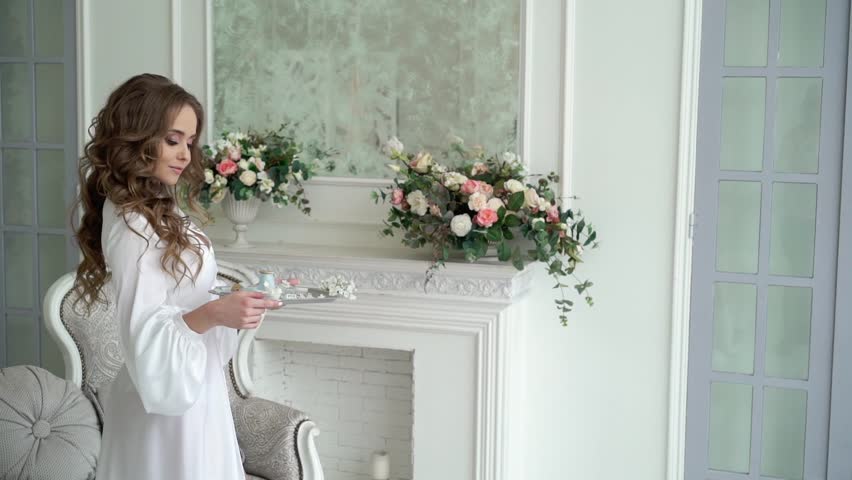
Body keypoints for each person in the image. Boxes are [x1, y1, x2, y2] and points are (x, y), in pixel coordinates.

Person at [70, 73, 282, 479]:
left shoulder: (158, 209)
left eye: (189, 141)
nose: (185, 153)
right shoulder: (133, 222)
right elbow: (143, 332)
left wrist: (228, 301)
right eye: (173, 140)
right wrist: (218, 313)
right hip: (165, 408)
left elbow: (177, 297)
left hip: (192, 391)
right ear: (139, 138)